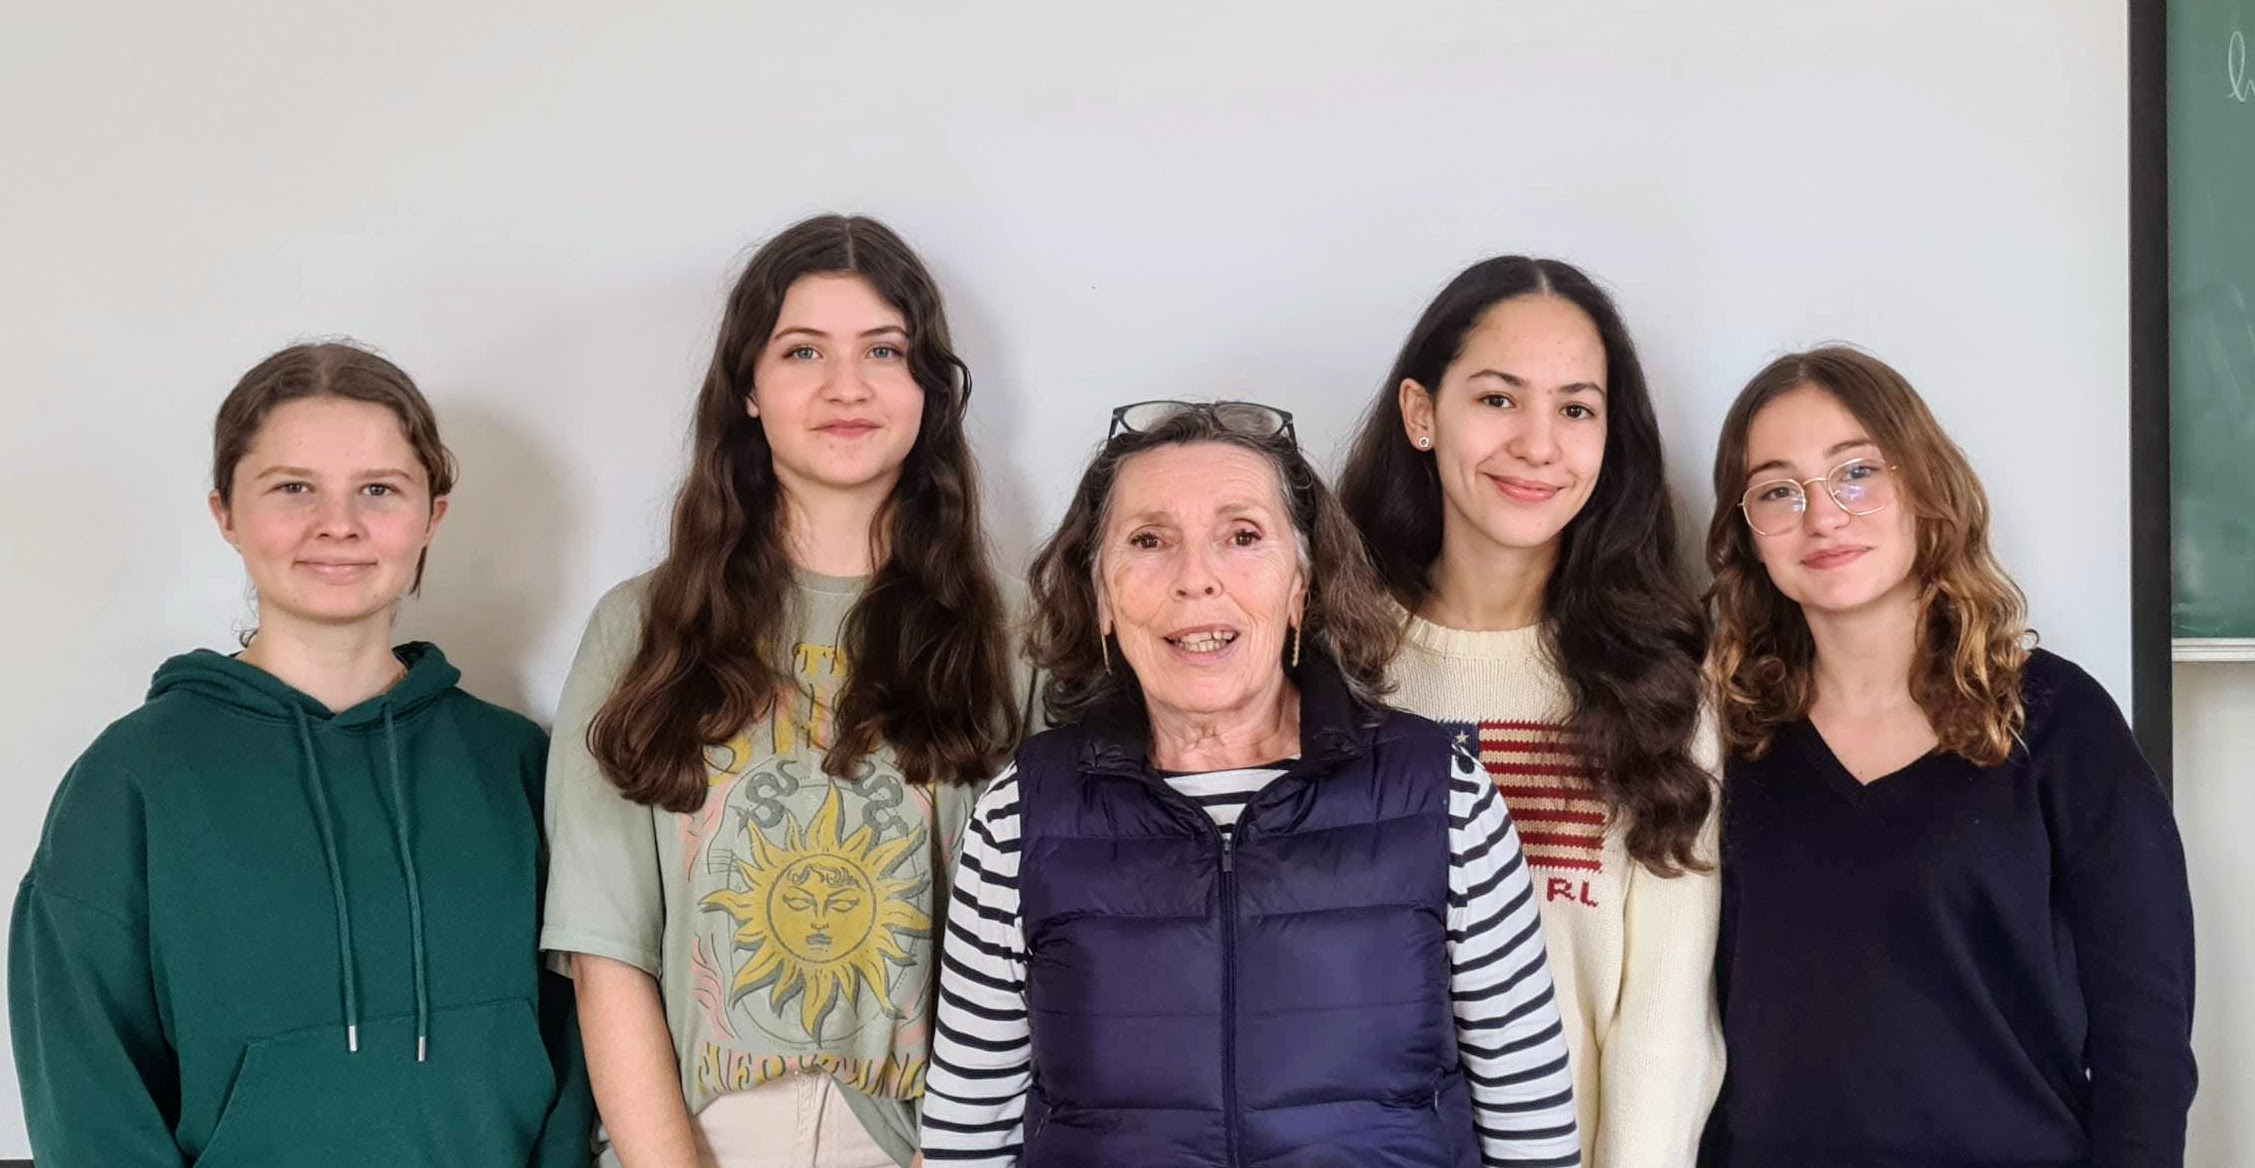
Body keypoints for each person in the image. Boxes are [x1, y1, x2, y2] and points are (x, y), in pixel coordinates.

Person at [920, 400, 1583, 1168]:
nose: (1196, 579)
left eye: (1241, 536)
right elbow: (967, 1133)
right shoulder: (1022, 814)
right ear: (1100, 596)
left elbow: (1530, 1123)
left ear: (1301, 584)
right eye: (1148, 541)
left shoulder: (1443, 796)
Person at [10, 340, 593, 1165]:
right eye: (293, 488)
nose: (338, 524)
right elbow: (89, 1100)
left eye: (378, 489)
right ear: (225, 513)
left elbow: (587, 1040)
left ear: (433, 514)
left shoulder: (515, 762)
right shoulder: (132, 779)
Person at [542, 215, 1024, 1168]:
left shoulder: (1018, 634)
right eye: (803, 350)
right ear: (748, 390)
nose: (847, 386)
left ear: (927, 388)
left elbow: (1039, 949)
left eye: (883, 350)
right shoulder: (640, 629)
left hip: (932, 1145)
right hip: (693, 1139)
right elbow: (606, 950)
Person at [1699, 345, 2197, 1167]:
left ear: (1925, 488)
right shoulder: (1723, 736)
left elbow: (2142, 1030)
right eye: (1778, 490)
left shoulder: (2055, 719)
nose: (1822, 516)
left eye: (1857, 472)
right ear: (1746, 532)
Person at [1338, 256, 1722, 1168]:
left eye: (1576, 409)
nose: (1539, 445)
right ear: (1421, 414)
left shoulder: (1662, 683)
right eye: (1498, 399)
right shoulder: (1334, 663)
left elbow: (1664, 1017)